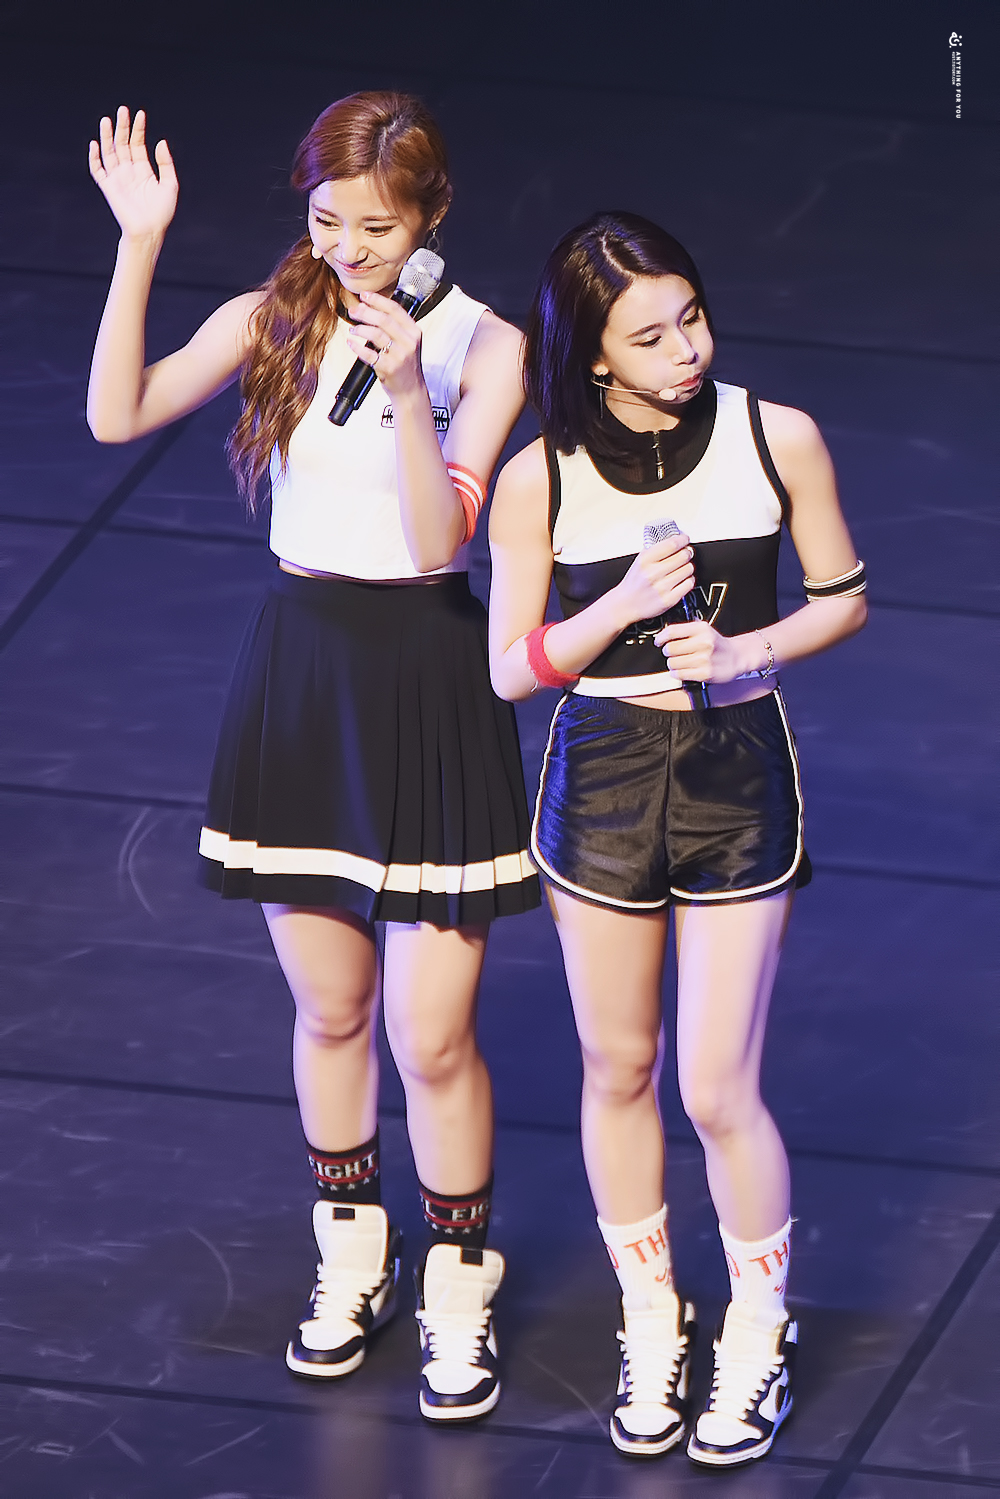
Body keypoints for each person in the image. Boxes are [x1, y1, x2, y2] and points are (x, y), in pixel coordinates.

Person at [87, 92, 539, 1423]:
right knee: (332, 1010)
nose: (347, 246)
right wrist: (139, 243)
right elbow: (116, 414)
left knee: (431, 1034)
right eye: (328, 218)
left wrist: (406, 389)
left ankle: (458, 1278)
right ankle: (354, 1252)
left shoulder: (486, 345)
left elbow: (440, 541)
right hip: (303, 672)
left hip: (429, 677)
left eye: (377, 226)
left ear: (432, 215)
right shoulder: (271, 314)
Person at [488, 211, 866, 1467]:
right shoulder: (541, 476)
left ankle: (757, 1325)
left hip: (733, 766)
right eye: (649, 336)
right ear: (593, 353)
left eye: (690, 318)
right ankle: (652, 1315)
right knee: (617, 1063)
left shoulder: (775, 435)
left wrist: (748, 647)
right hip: (601, 768)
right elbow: (510, 667)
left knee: (714, 1082)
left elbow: (843, 598)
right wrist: (616, 610)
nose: (685, 348)